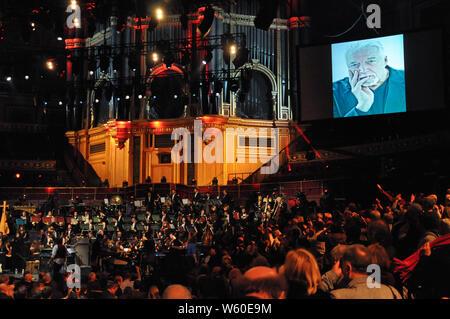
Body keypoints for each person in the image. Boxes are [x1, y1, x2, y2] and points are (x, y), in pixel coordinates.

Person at [333, 40, 406, 118]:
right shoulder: (334, 92)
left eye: (371, 61)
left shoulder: (407, 78)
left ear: (385, 60)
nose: (363, 69)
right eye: (354, 64)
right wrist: (361, 108)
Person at [321, 244, 402, 299]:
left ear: (347, 268)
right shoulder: (392, 292)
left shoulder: (338, 296)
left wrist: (330, 276)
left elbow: (313, 294)